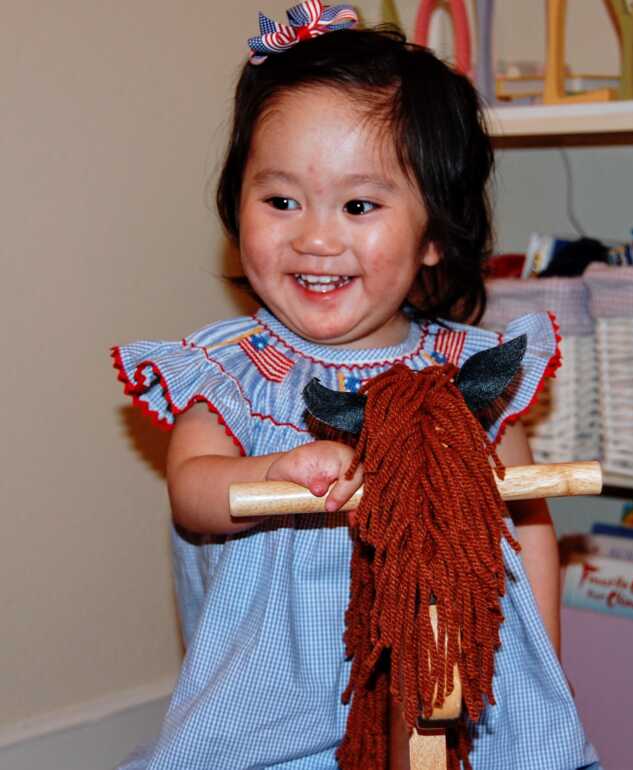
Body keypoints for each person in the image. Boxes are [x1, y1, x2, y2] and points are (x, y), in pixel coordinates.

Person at [112, 6, 598, 769]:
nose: (314, 237)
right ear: (236, 207)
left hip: (455, 667)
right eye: (280, 201)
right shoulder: (236, 374)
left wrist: (541, 659)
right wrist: (271, 471)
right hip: (278, 692)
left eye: (359, 206)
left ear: (434, 233)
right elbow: (191, 490)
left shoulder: (468, 378)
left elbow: (524, 518)